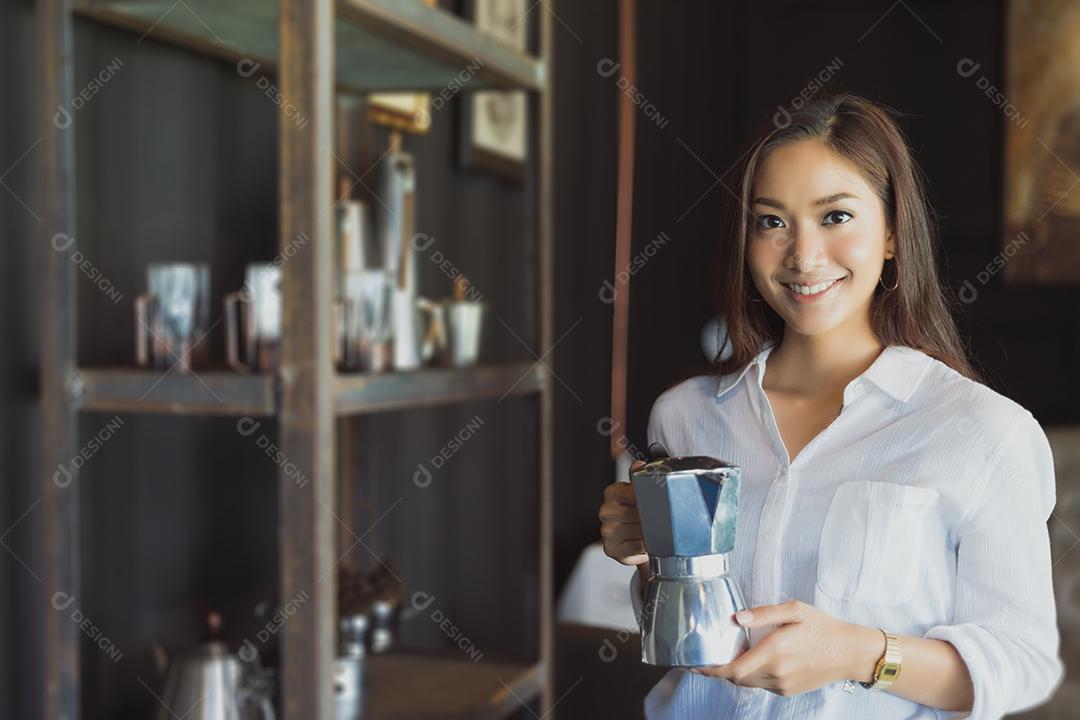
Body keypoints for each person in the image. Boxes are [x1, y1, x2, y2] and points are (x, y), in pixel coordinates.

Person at [598, 93, 1064, 719]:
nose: (803, 256)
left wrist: (859, 655)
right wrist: (648, 559)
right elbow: (687, 629)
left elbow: (1022, 664)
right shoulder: (683, 416)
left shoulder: (984, 432)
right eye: (771, 221)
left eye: (836, 216)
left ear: (894, 232)